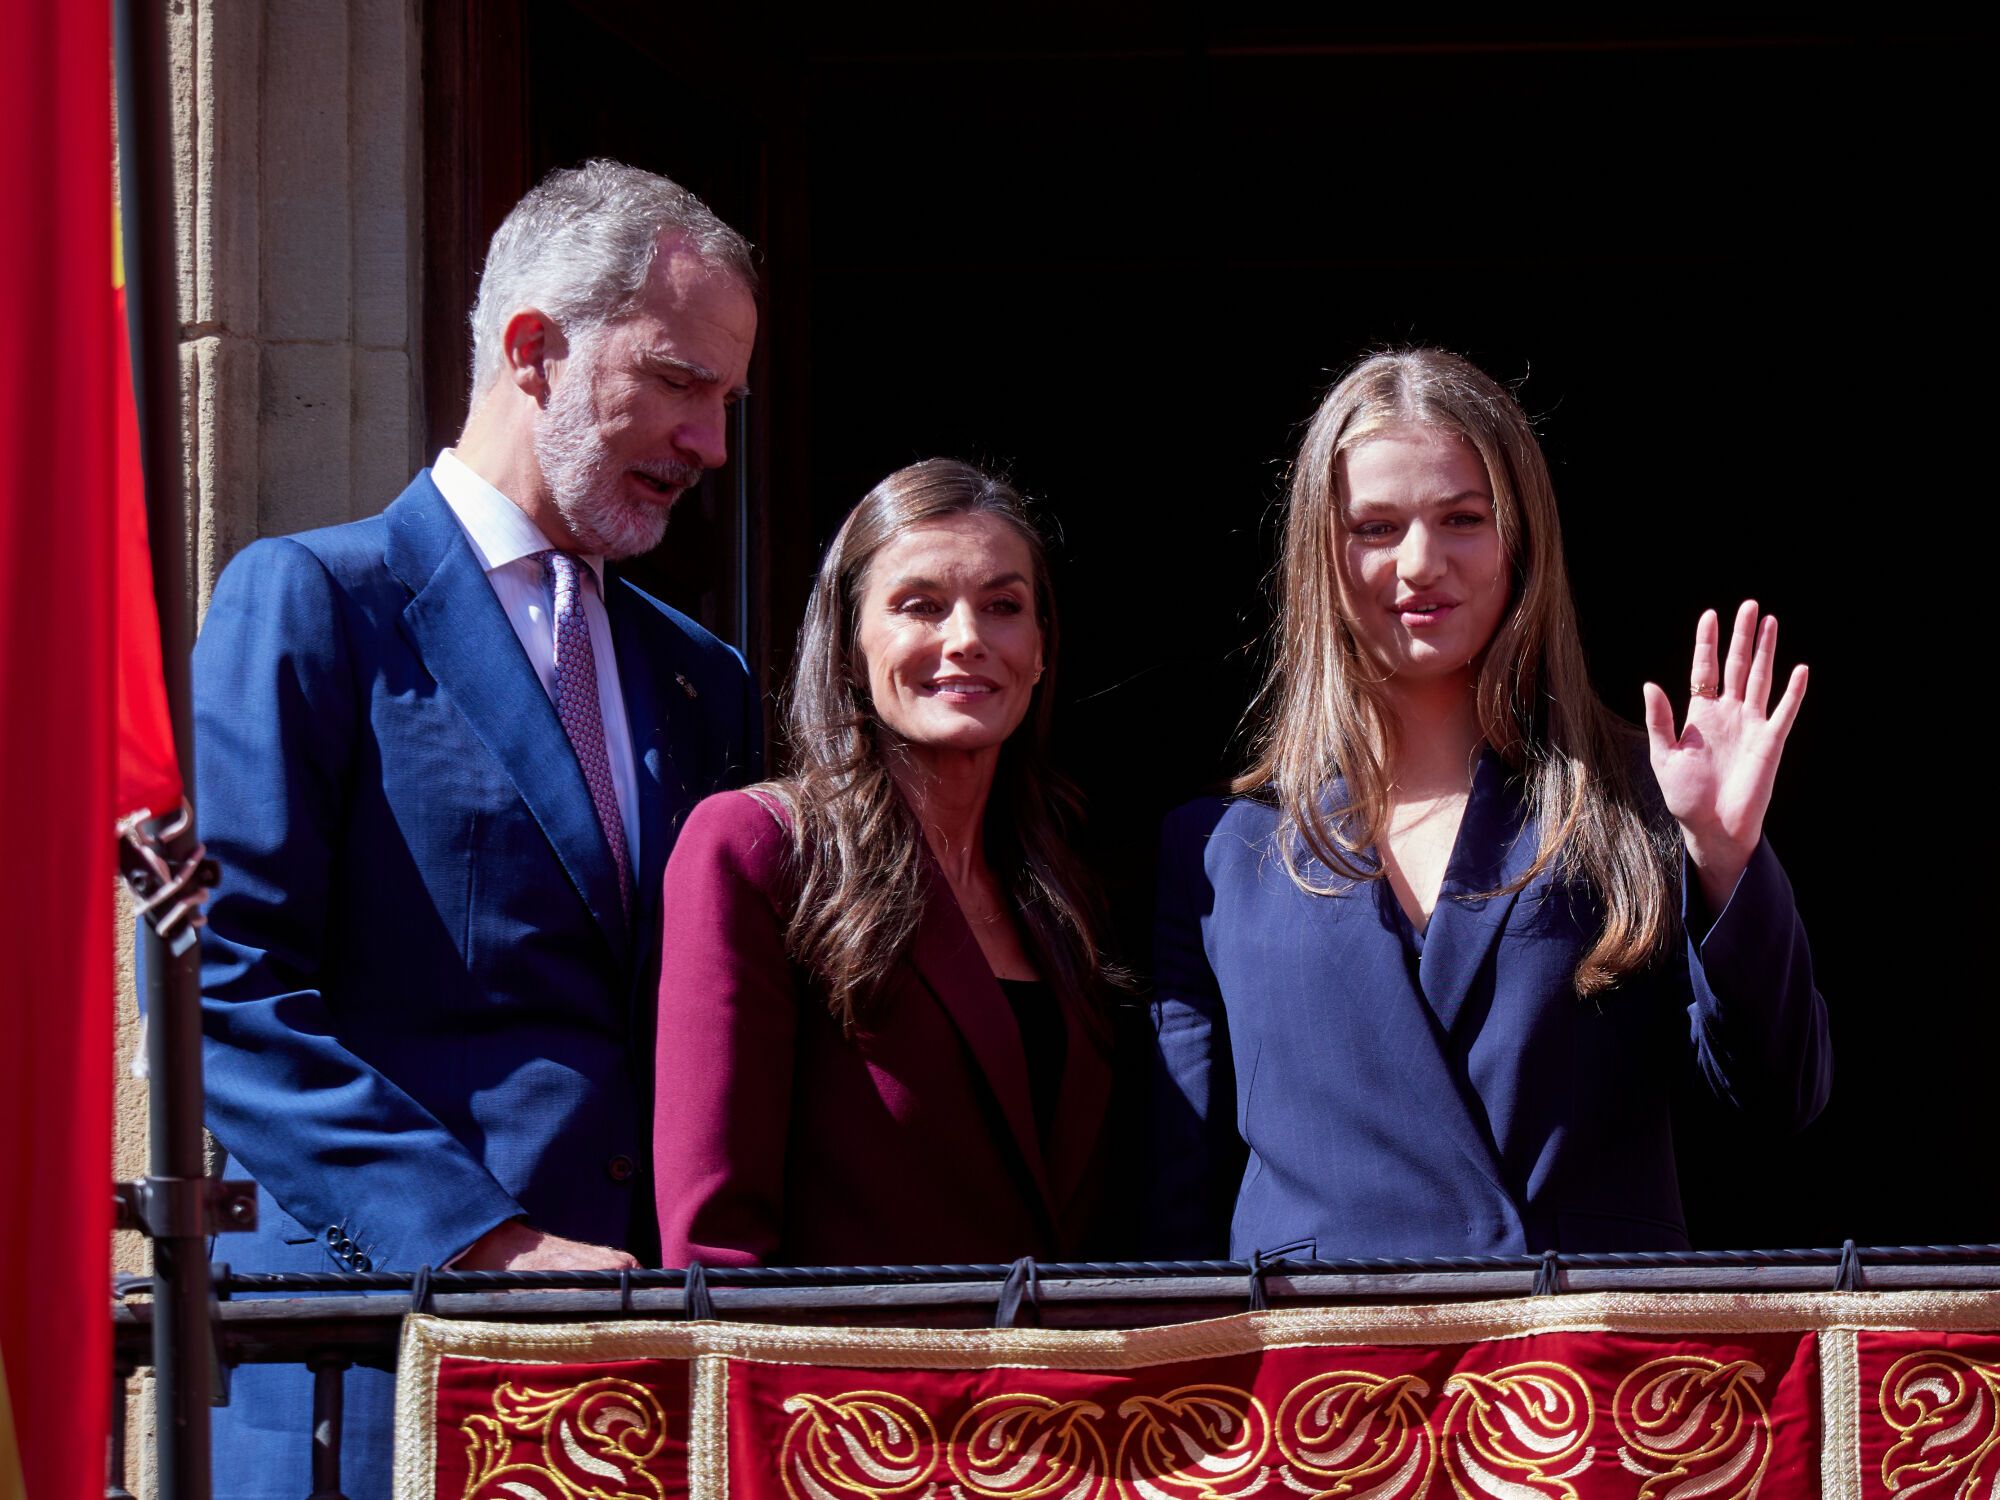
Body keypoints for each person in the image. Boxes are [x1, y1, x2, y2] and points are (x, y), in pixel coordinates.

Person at [192, 161, 761, 1498]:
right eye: (681, 381)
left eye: (728, 400)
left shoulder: (702, 678)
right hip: (370, 1369)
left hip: (631, 1385)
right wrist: (476, 1242)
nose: (712, 444)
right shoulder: (316, 604)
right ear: (532, 350)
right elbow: (224, 991)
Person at [1148, 348, 1831, 1261]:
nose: (1420, 562)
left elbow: (1781, 1096)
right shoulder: (1221, 853)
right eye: (1376, 527)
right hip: (1322, 1386)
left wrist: (1723, 854)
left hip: (1584, 1379)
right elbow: (1175, 1213)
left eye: (1462, 518)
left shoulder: (1640, 801)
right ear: (1321, 553)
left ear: (1521, 540)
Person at [653, 459, 1117, 1266]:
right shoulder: (757, 848)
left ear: (1040, 651)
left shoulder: (1068, 887)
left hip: (1056, 1387)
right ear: (849, 643)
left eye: (1003, 606)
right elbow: (716, 1246)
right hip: (853, 1390)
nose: (967, 639)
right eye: (920, 607)